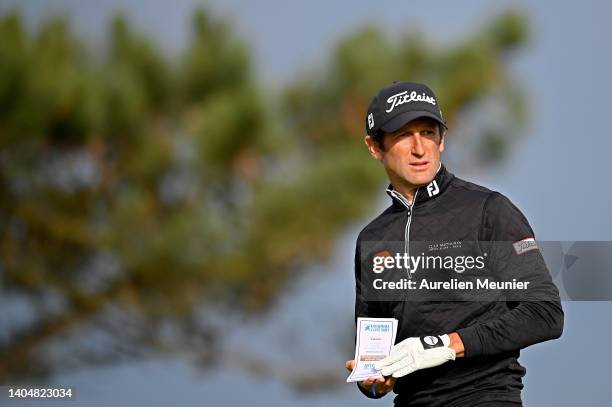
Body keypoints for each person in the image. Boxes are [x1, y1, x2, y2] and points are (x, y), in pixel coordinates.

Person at [345, 81, 564, 406]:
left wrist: (445, 344)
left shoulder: (488, 210)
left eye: (428, 133)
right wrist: (374, 379)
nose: (420, 148)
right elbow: (374, 360)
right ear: (375, 147)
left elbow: (544, 313)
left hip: (487, 398)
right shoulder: (372, 240)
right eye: (404, 135)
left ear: (442, 139)